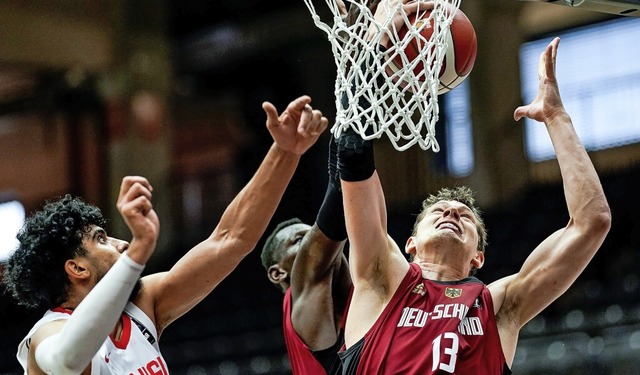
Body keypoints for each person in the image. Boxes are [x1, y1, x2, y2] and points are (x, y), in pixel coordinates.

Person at [334, 35, 611, 374]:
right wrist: (372, 46)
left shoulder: (497, 306)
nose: (451, 212)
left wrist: (556, 117)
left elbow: (591, 222)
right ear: (411, 244)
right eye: (438, 212)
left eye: (464, 217)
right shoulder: (381, 278)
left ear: (478, 256)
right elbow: (351, 153)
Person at [2, 95, 328, 374]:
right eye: (102, 239)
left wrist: (285, 152)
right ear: (77, 268)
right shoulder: (46, 334)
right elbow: (66, 358)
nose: (122, 243)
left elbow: (230, 240)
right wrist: (139, 251)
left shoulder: (143, 303)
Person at [261, 135, 350, 375]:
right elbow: (333, 222)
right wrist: (349, 140)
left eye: (311, 234)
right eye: (299, 241)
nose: (312, 241)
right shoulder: (299, 298)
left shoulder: (344, 292)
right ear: (278, 272)